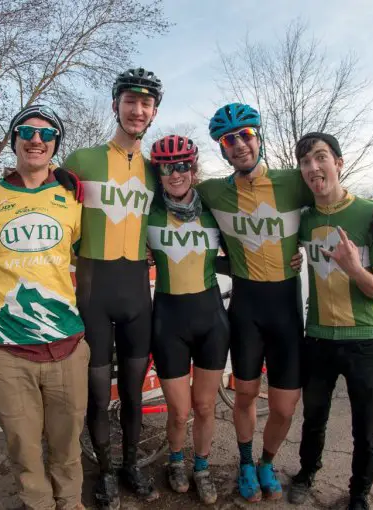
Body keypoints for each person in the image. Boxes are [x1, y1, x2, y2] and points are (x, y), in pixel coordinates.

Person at [0, 105, 87, 510]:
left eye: (47, 133)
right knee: (24, 453)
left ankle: (70, 503)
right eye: (27, 131)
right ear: (14, 139)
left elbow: (97, 255)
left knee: (68, 447)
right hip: (6, 356)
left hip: (67, 348)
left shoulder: (73, 197)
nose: (36, 139)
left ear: (55, 144)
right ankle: (38, 505)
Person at [196, 103, 313, 502]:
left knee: (284, 405)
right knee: (245, 394)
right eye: (230, 140)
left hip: (284, 306)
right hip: (246, 305)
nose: (239, 145)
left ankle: (267, 461)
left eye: (246, 135)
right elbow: (168, 199)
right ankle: (246, 462)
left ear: (258, 137)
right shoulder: (212, 191)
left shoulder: (293, 182)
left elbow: (333, 199)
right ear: (222, 150)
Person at [63, 67, 162, 508]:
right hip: (94, 290)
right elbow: (45, 206)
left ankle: (131, 466)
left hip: (137, 292)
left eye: (146, 103)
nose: (137, 110)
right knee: (99, 395)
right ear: (116, 105)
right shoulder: (81, 160)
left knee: (136, 393)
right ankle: (104, 472)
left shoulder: (158, 169)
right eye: (130, 101)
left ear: (154, 111)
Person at [288, 132, 373, 510]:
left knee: (365, 427)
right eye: (306, 162)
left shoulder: (371, 214)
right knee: (313, 418)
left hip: (363, 340)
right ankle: (305, 473)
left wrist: (354, 269)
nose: (314, 167)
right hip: (317, 337)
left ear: (339, 162)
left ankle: (359, 493)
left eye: (321, 158)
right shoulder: (303, 222)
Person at [146, 135, 228, 505]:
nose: (175, 173)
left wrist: (291, 257)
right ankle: (176, 460)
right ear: (159, 173)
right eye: (167, 167)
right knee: (179, 411)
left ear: (193, 169)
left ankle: (203, 467)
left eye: (182, 166)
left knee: (205, 406)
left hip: (211, 318)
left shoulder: (214, 213)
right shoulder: (147, 214)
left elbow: (248, 247)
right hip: (169, 321)